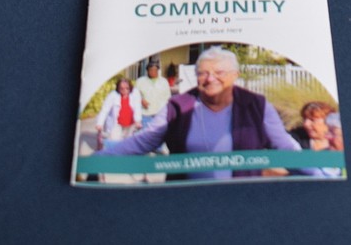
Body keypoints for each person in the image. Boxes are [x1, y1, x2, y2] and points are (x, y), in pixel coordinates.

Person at [101, 47, 314, 180]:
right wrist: (100, 158)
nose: (210, 79)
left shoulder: (257, 106)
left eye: (219, 72)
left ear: (234, 75)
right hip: (186, 201)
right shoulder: (177, 107)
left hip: (244, 200)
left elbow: (285, 146)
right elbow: (142, 142)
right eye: (203, 73)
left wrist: (316, 172)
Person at [95, 77, 142, 145]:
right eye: (122, 88)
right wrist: (99, 123)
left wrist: (138, 120)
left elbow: (138, 107)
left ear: (130, 88)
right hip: (117, 124)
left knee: (128, 143)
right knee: (114, 142)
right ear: (118, 88)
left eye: (127, 88)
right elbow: (105, 110)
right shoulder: (113, 95)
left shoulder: (135, 93)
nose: (124, 90)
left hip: (131, 123)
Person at [135, 55, 171, 128]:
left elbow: (168, 98)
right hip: (145, 115)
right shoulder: (140, 81)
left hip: (160, 115)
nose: (153, 72)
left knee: (160, 136)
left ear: (158, 70)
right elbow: (134, 96)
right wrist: (141, 100)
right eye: (150, 70)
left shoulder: (164, 82)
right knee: (146, 136)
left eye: (155, 70)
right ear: (147, 71)